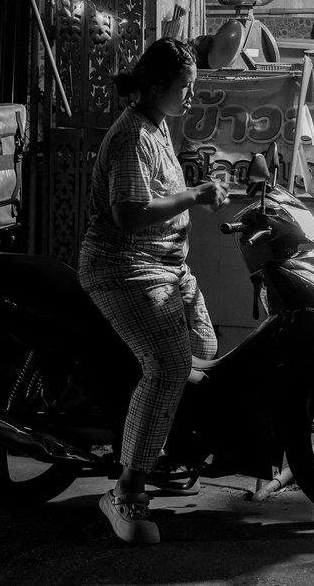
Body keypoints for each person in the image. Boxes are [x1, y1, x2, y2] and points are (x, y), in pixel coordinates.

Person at [78, 36, 229, 545]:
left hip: (165, 267)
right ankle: (125, 489)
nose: (191, 96)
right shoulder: (130, 138)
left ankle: (156, 444)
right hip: (123, 267)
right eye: (185, 87)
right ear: (158, 85)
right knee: (169, 365)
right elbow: (129, 213)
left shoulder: (158, 126)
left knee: (205, 356)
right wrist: (194, 194)